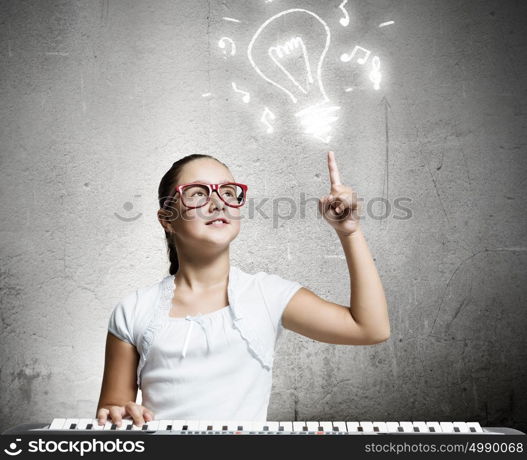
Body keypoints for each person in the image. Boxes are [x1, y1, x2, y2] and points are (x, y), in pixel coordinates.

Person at [96, 151, 390, 427]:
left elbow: (370, 328)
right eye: (198, 193)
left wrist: (349, 232)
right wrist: (119, 412)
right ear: (167, 219)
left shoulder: (267, 295)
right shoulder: (133, 310)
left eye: (227, 192)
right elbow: (114, 410)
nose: (218, 203)